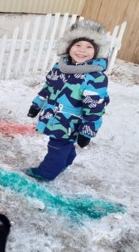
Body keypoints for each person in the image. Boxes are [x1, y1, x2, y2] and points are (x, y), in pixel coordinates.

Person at [24, 19, 111, 182]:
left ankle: (46, 173)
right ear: (69, 46)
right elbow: (48, 88)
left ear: (97, 51)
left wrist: (87, 131)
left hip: (69, 123)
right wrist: (37, 104)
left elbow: (95, 109)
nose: (82, 51)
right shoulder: (60, 68)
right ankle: (66, 159)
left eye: (89, 47)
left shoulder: (94, 77)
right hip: (53, 115)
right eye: (78, 45)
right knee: (64, 147)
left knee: (56, 147)